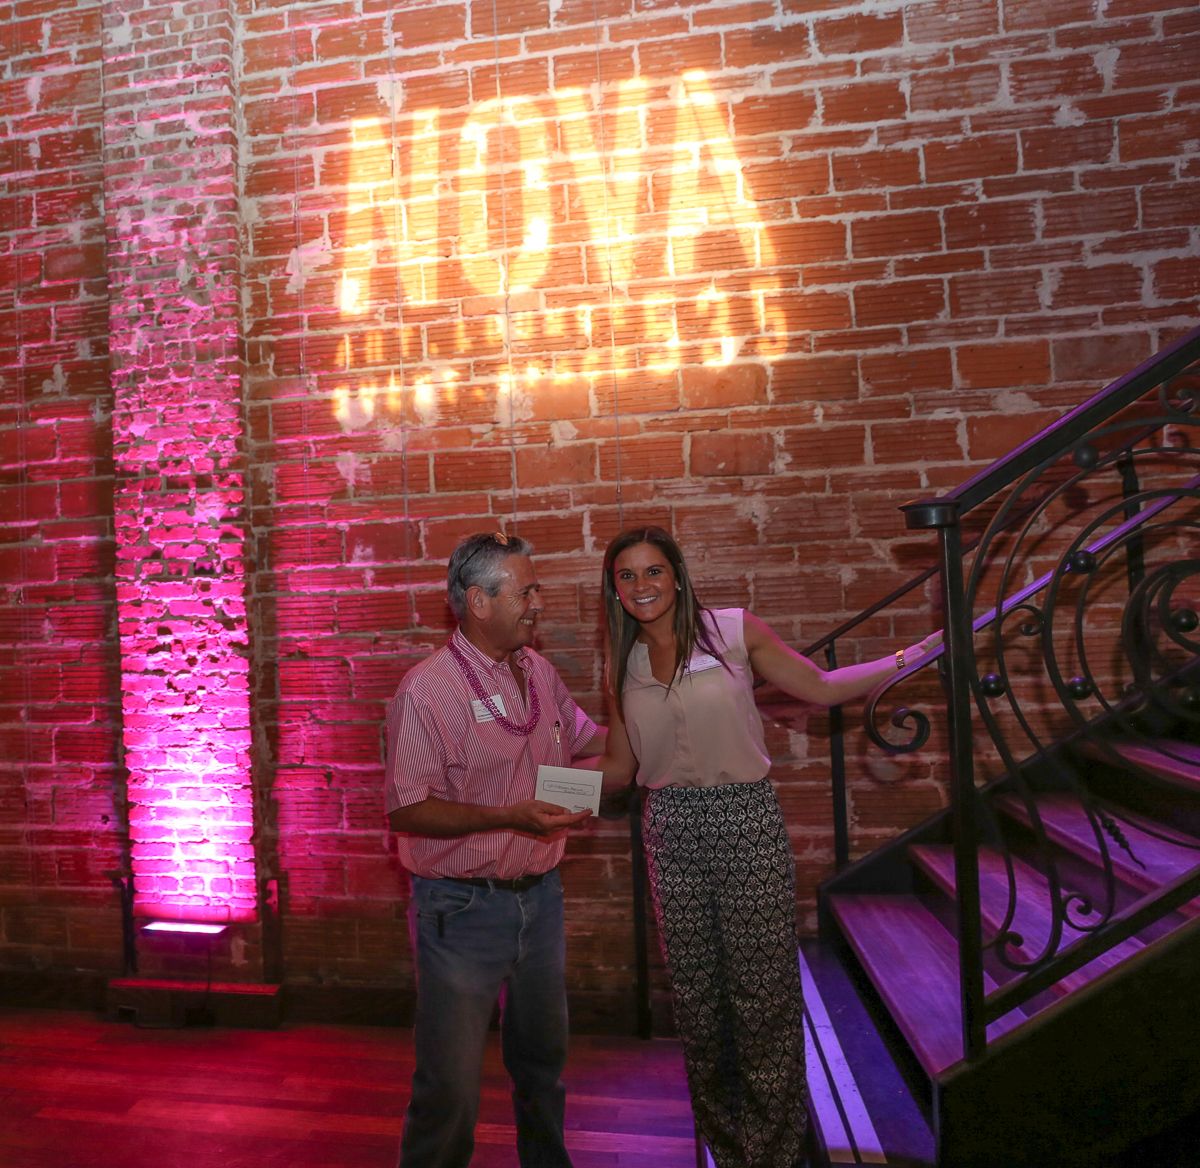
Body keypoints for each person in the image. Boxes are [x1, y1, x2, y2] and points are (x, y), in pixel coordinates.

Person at [595, 525, 940, 1168]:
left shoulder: (733, 631)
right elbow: (618, 769)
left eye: (653, 571)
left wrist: (907, 658)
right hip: (670, 829)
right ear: (614, 590)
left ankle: (774, 1151)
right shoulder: (622, 665)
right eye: (627, 575)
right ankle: (727, 1147)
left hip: (745, 818)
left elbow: (821, 686)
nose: (642, 586)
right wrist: (535, 780)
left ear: (677, 576)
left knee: (762, 995)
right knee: (698, 1001)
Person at [384, 531, 606, 1168]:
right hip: (460, 909)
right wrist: (508, 816)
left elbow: (588, 744)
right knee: (449, 1088)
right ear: (478, 602)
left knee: (543, 1068)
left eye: (536, 590)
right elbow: (406, 808)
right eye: (525, 591)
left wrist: (663, 716)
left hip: (542, 900)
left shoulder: (538, 671)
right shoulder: (427, 691)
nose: (539, 602)